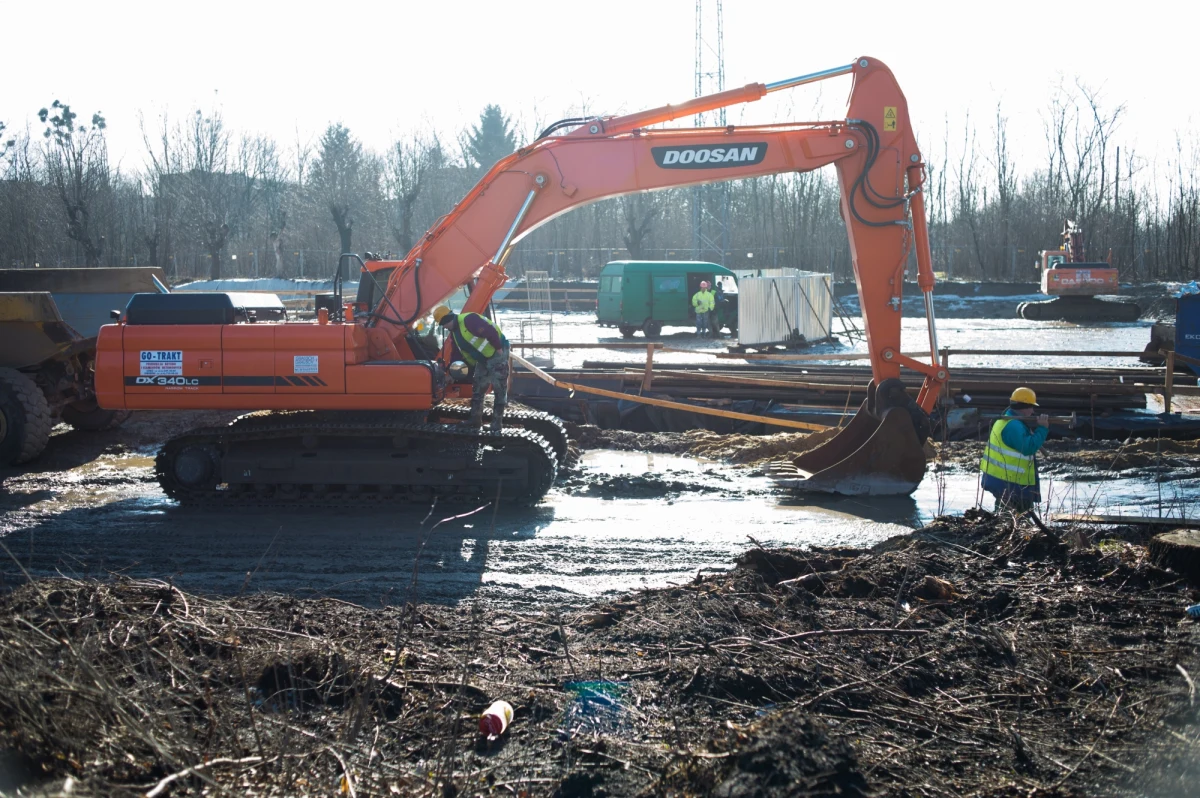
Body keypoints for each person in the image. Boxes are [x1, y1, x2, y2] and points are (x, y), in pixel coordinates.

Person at [433, 305, 511, 433]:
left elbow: (490, 331)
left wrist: (499, 351)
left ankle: (496, 425)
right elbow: (456, 354)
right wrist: (453, 373)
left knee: (499, 389)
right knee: (478, 389)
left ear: (447, 319)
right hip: (483, 359)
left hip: (497, 353)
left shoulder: (469, 320)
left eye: (444, 324)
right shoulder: (455, 334)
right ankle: (475, 420)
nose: (444, 327)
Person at [979, 387, 1050, 514]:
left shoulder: (1006, 420)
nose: (1032, 411)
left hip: (1001, 480)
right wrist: (1042, 429)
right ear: (1023, 406)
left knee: (1004, 514)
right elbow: (1028, 447)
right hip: (1012, 483)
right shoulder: (1013, 425)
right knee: (1016, 515)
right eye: (1031, 407)